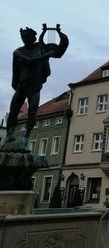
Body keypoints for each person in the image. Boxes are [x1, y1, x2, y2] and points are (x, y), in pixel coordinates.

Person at [1, 24, 68, 152]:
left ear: (33, 37)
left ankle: (26, 137)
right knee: (13, 111)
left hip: (35, 86)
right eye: (22, 36)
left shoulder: (40, 47)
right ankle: (9, 135)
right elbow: (28, 60)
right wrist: (46, 55)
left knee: (32, 111)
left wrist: (61, 35)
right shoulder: (18, 52)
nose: (24, 38)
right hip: (22, 85)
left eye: (26, 36)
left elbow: (58, 52)